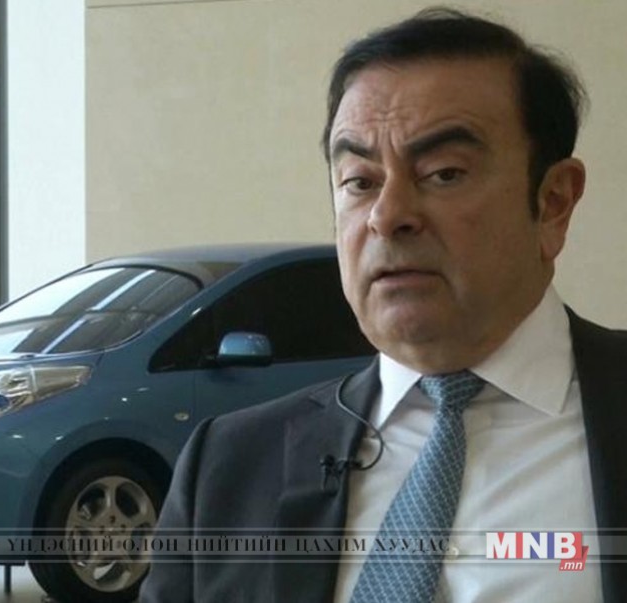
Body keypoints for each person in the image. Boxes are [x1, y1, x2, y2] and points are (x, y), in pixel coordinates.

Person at [139, 7, 627, 602]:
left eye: (444, 174)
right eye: (360, 182)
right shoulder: (231, 466)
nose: (388, 215)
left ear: (552, 203)